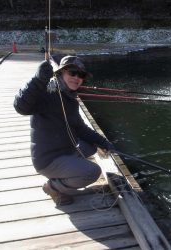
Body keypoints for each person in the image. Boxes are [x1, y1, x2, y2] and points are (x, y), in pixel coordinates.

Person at [13, 55, 114, 206]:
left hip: (64, 151)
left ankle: (69, 170)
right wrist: (38, 80)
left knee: (91, 145)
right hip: (48, 160)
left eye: (80, 75)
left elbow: (80, 128)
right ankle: (52, 187)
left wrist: (104, 142)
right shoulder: (47, 91)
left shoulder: (69, 99)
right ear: (60, 73)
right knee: (92, 172)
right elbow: (21, 106)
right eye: (72, 73)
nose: (76, 77)